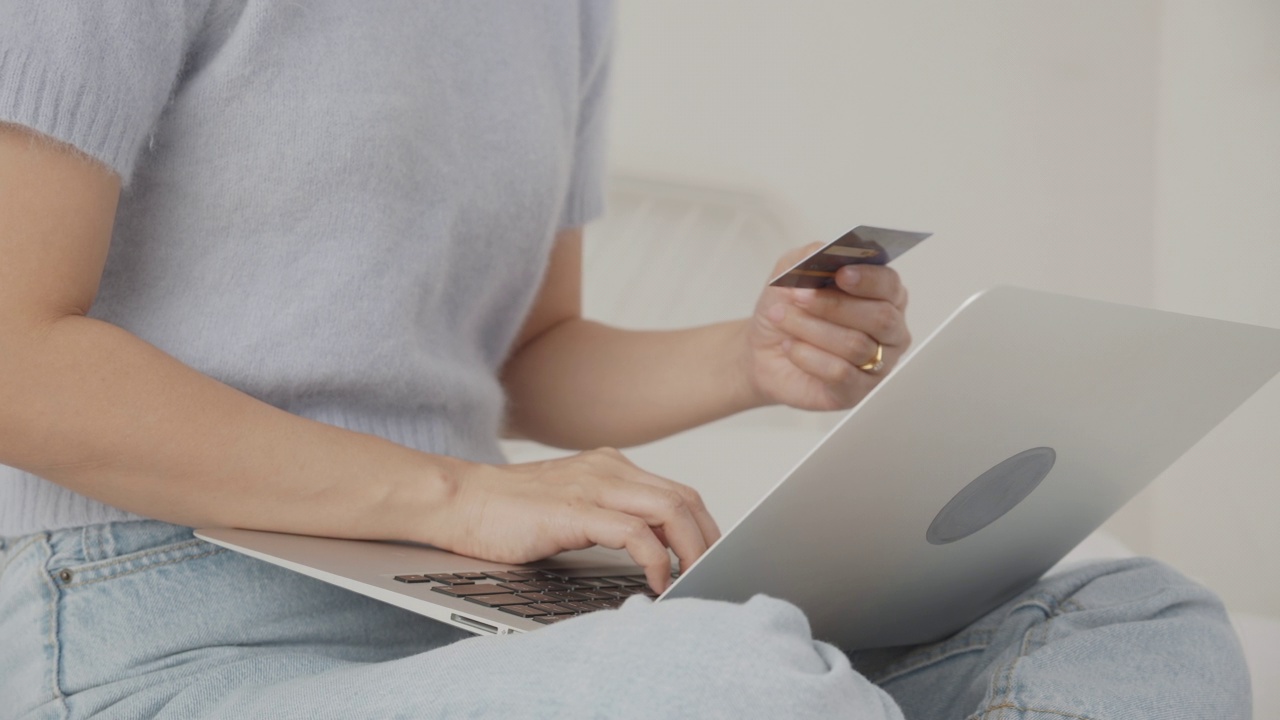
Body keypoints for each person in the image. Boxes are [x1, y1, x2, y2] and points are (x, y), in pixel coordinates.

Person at [0, 3, 1250, 719]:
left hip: (463, 598)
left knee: (1127, 616)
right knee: (737, 686)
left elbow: (526, 359)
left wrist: (755, 356)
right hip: (147, 605)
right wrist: (457, 495)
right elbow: (15, 356)